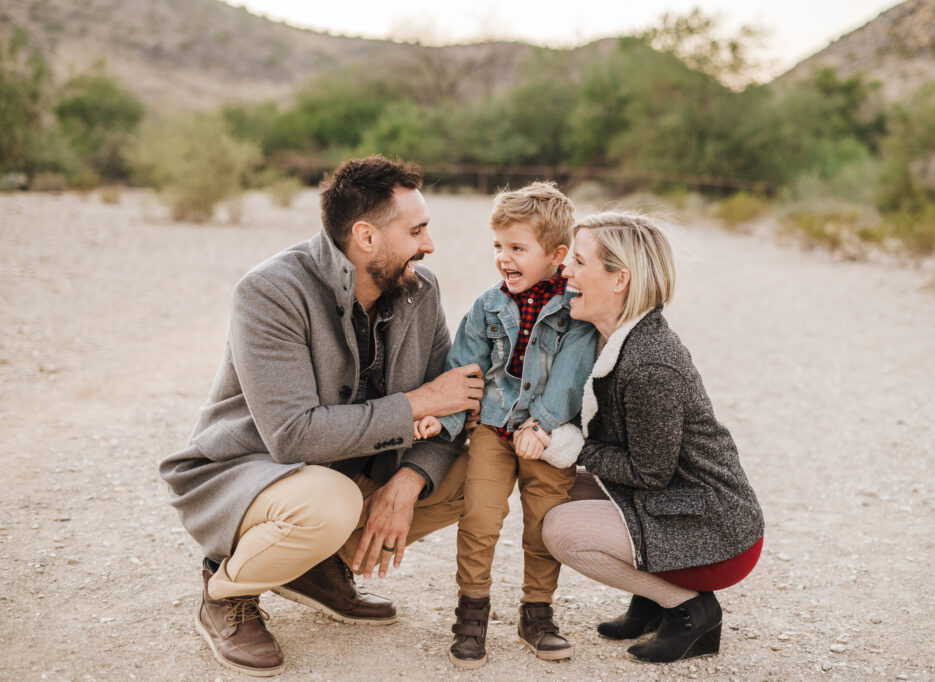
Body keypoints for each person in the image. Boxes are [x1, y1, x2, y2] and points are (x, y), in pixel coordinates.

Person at [158, 156, 485, 677]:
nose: (429, 246)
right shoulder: (269, 291)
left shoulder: (421, 290)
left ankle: (312, 566)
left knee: (477, 473)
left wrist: (410, 478)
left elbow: (455, 406)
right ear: (366, 237)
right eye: (417, 230)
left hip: (346, 476)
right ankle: (224, 593)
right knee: (329, 502)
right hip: (248, 471)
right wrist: (419, 403)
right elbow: (293, 437)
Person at [540, 212, 764, 664]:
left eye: (579, 262)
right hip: (677, 499)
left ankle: (689, 610)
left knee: (561, 531)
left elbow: (650, 472)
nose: (566, 271)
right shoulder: (609, 339)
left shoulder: (648, 365)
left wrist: (571, 447)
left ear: (619, 279)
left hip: (716, 528)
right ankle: (652, 600)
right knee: (552, 491)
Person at [416, 182, 597, 669]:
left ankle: (536, 611)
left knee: (544, 524)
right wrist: (445, 418)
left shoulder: (574, 309)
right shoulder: (487, 306)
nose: (504, 258)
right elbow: (464, 369)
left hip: (543, 437)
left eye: (518, 248)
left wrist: (543, 424)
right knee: (479, 519)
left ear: (558, 254)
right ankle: (472, 611)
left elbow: (571, 375)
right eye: (498, 246)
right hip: (493, 432)